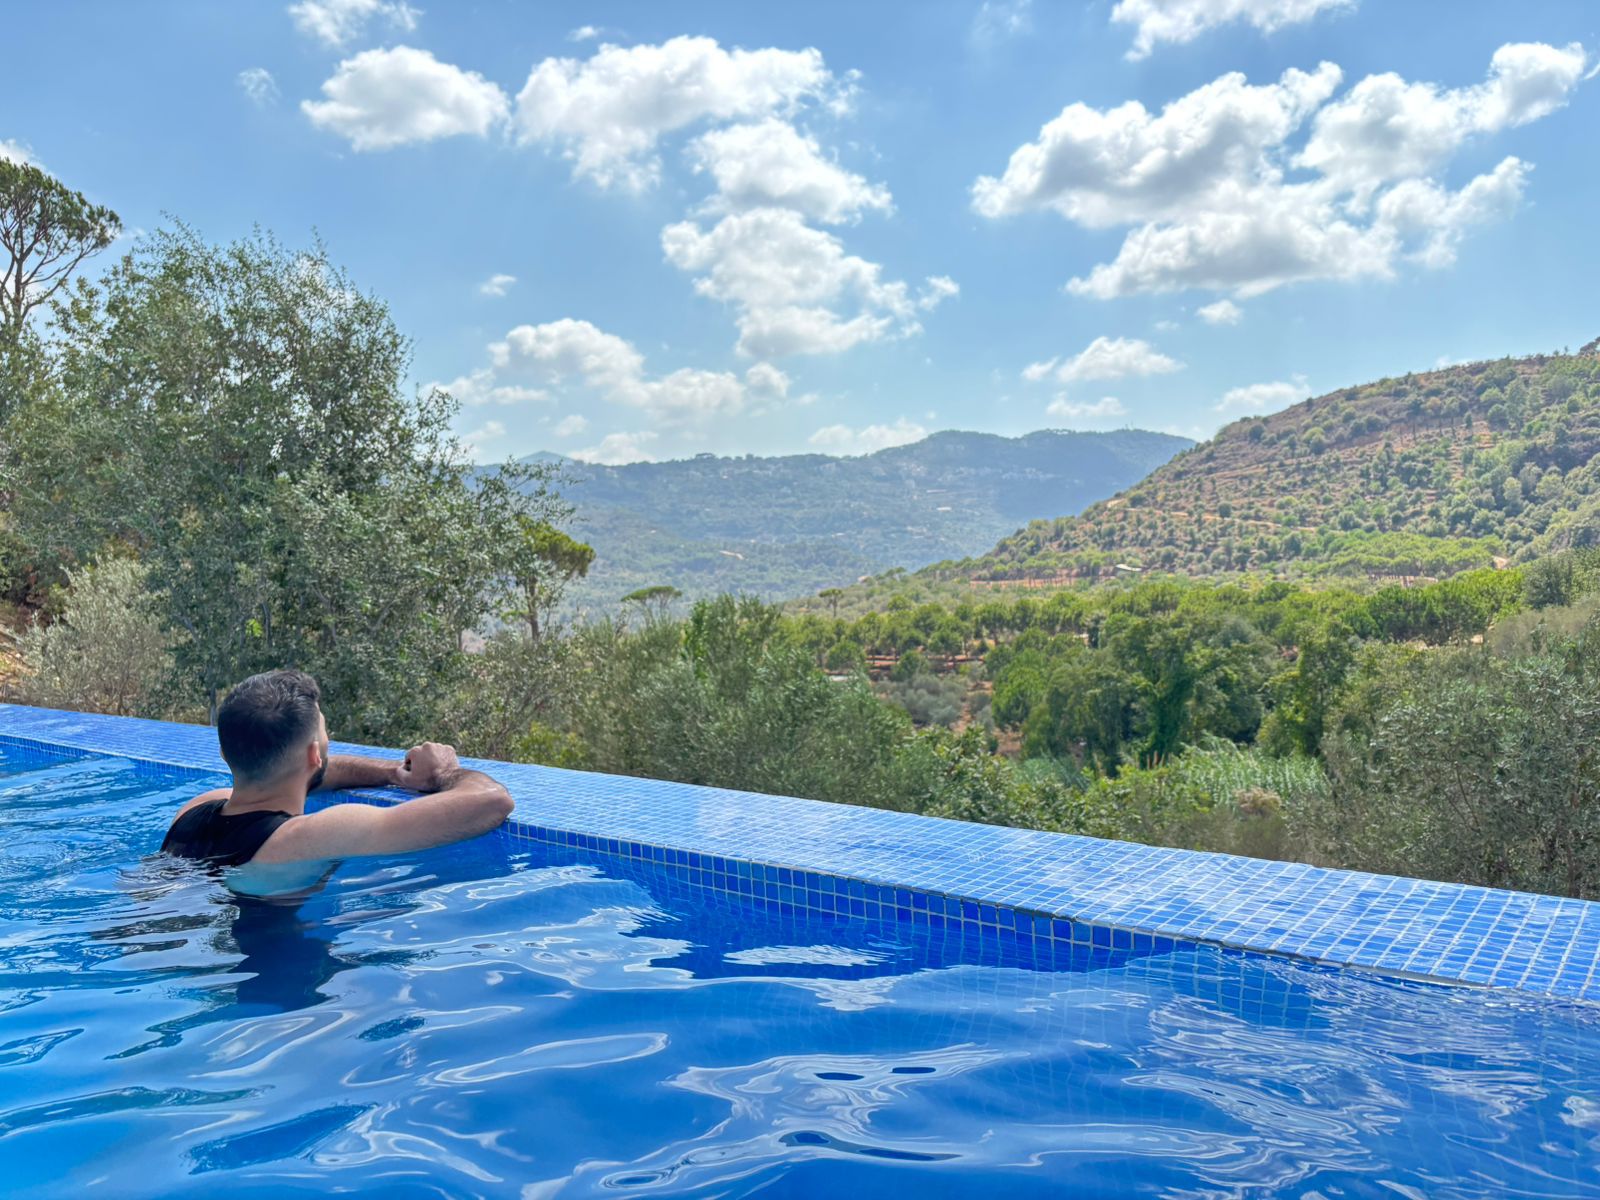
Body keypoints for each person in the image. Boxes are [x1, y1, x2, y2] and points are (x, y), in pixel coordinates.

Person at [160, 669, 513, 895]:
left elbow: (306, 774)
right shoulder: (313, 835)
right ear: (315, 754)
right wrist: (444, 772)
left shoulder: (194, 809)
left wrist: (394, 773)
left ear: (225, 753)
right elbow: (492, 801)